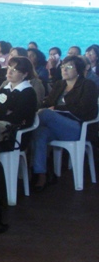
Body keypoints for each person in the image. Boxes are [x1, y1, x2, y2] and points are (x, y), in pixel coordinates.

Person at [30, 55, 99, 192]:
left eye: (69, 67)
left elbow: (83, 109)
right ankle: (41, 174)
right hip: (55, 125)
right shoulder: (60, 84)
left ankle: (23, 134)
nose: (64, 70)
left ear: (78, 70)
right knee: (40, 132)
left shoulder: (87, 85)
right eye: (62, 67)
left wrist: (57, 109)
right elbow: (48, 102)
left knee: (44, 115)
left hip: (77, 126)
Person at [0, 57, 38, 192]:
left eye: (15, 70)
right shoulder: (5, 88)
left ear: (24, 74)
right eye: (9, 68)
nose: (10, 72)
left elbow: (16, 118)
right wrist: (3, 112)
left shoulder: (28, 92)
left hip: (14, 136)